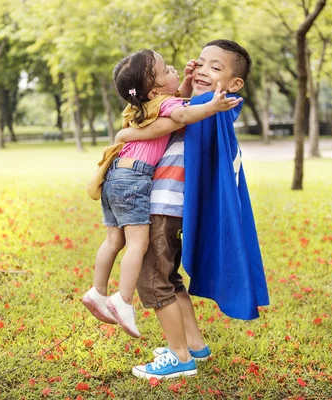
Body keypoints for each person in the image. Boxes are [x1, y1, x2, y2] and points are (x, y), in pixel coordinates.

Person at [116, 39, 269, 380]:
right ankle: (194, 344)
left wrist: (125, 133)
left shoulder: (212, 108)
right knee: (169, 278)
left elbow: (163, 123)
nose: (202, 70)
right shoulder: (204, 106)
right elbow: (178, 108)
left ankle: (179, 355)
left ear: (234, 84)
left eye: (215, 67)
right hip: (168, 205)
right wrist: (185, 85)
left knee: (154, 280)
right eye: (200, 63)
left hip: (165, 206)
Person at [82, 49, 242, 339]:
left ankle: (98, 290)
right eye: (167, 70)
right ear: (155, 89)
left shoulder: (145, 105)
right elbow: (181, 112)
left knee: (114, 240)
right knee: (137, 245)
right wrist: (212, 105)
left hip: (115, 176)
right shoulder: (171, 106)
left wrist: (186, 82)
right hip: (135, 180)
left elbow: (175, 103)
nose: (175, 70)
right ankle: (124, 299)